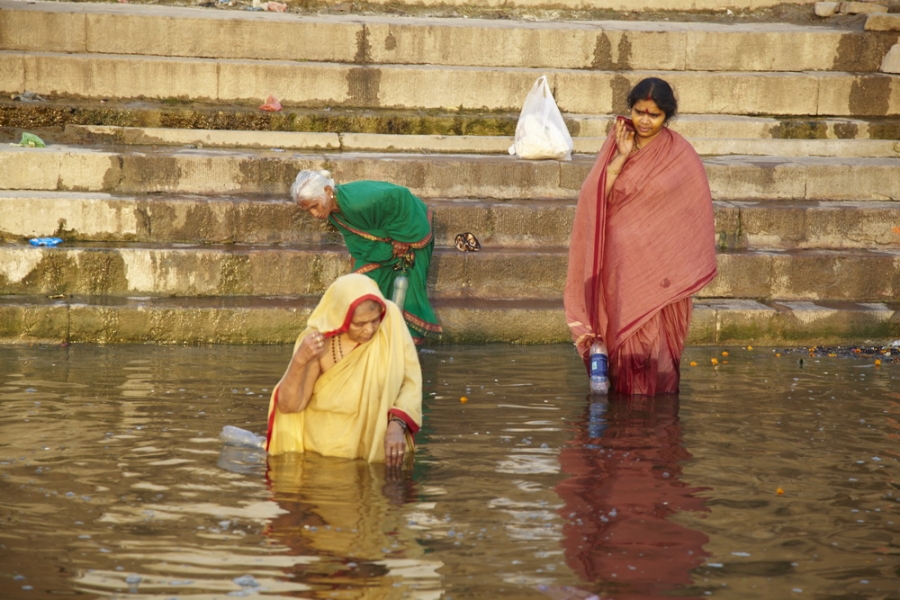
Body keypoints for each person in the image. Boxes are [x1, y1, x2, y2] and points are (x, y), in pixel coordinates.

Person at [564, 77, 717, 395]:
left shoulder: (681, 156)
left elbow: (693, 216)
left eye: (654, 115)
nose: (644, 121)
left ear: (667, 117)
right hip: (619, 268)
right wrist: (620, 158)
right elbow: (593, 200)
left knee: (655, 358)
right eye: (639, 111)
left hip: (661, 275)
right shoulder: (618, 140)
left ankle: (654, 430)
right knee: (622, 354)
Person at [265, 273, 422, 467]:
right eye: (360, 324)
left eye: (374, 320)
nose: (370, 330)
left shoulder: (390, 322)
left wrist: (397, 424)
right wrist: (299, 360)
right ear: (341, 318)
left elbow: (411, 380)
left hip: (378, 451)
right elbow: (290, 406)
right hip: (322, 457)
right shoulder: (318, 342)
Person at [291, 170, 442, 344]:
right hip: (381, 246)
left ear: (327, 191)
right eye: (308, 210)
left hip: (412, 227)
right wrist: (354, 276)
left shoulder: (357, 203)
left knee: (407, 296)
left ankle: (406, 351)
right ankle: (376, 344)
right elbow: (358, 242)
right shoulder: (334, 213)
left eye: (314, 206)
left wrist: (402, 238)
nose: (314, 214)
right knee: (360, 290)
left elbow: (400, 196)